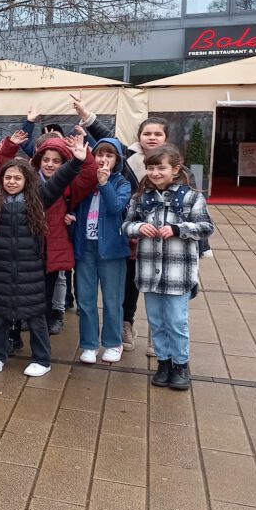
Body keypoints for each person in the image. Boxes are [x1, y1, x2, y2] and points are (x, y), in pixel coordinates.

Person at [73, 96, 175, 353]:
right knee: (123, 289)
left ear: (166, 138)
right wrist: (86, 117)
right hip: (125, 239)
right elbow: (106, 141)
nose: (152, 138)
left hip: (162, 238)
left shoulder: (172, 166)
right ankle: (120, 329)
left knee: (160, 290)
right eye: (147, 133)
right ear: (139, 137)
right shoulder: (129, 160)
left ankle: (157, 340)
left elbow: (189, 204)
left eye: (158, 134)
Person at [0, 135, 87, 377]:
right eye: (7, 177)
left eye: (17, 178)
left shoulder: (38, 197)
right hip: (1, 268)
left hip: (31, 268)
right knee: (0, 314)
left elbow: (59, 181)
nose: (11, 182)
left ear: (26, 180)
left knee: (35, 315)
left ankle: (42, 359)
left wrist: (76, 163)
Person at [123, 145, 213, 391]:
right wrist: (138, 228)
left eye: (160, 167)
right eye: (151, 167)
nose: (154, 172)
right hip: (149, 273)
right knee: (156, 320)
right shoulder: (139, 198)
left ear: (175, 169)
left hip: (178, 274)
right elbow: (126, 226)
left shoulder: (192, 197)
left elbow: (206, 227)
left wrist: (178, 229)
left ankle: (180, 364)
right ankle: (163, 363)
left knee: (176, 320)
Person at [73, 139, 131, 365]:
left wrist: (105, 183)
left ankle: (113, 342)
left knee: (112, 299)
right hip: (85, 247)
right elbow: (72, 200)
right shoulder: (85, 180)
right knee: (85, 300)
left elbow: (117, 207)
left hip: (112, 249)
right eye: (99, 154)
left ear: (117, 160)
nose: (103, 159)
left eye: (110, 155)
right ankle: (88, 345)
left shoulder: (121, 183)